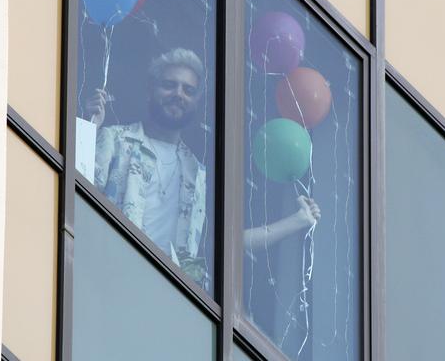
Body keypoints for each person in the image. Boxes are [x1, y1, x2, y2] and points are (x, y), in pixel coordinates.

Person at [86, 48, 320, 287]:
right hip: (109, 275)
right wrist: (88, 128)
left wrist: (299, 220)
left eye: (188, 90)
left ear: (196, 101)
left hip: (164, 296)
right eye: (169, 85)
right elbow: (82, 192)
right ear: (150, 90)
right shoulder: (115, 139)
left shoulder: (197, 173)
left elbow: (230, 241)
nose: (178, 94)